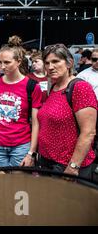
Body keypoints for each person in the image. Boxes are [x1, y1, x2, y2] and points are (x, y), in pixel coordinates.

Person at [0, 36, 43, 167]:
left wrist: (31, 152)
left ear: (18, 61)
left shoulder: (32, 86)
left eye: (7, 62)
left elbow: (36, 122)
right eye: (0, 62)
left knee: (18, 183)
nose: (2, 67)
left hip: (21, 146)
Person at [37, 44, 97, 178]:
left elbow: (88, 132)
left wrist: (73, 166)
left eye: (56, 61)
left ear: (69, 63)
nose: (50, 67)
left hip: (67, 166)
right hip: (48, 163)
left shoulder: (80, 88)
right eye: (47, 63)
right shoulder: (55, 87)